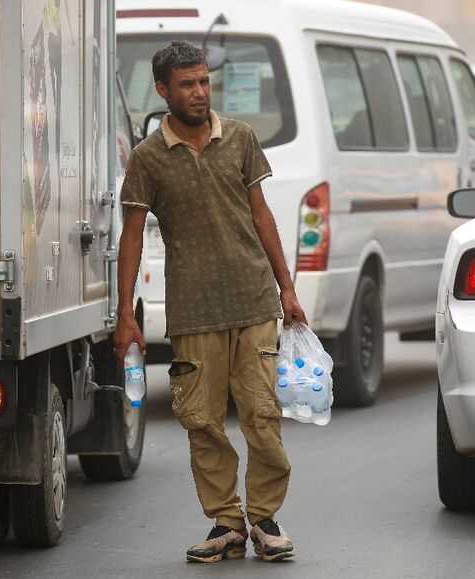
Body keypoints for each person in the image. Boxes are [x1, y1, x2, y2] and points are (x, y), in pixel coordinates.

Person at [113, 40, 305, 563]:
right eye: (187, 84)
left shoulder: (240, 138)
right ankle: (226, 523)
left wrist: (286, 289)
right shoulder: (149, 158)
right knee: (201, 420)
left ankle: (264, 520)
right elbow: (132, 236)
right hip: (193, 310)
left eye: (203, 81)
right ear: (162, 90)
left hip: (252, 301)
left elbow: (261, 215)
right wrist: (125, 313)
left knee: (262, 416)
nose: (199, 92)